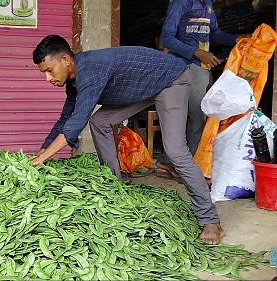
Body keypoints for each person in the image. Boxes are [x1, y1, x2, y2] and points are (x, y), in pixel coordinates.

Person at [30, 34, 224, 244]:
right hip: (143, 86)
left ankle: (210, 220)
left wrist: (44, 158)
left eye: (49, 70)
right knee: (100, 122)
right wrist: (43, 150)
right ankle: (114, 187)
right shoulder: (74, 81)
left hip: (171, 80)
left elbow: (76, 123)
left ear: (66, 60)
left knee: (176, 150)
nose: (47, 78)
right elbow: (65, 117)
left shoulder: (90, 70)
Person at [156, 0, 251, 178]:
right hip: (185, 66)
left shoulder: (207, 3)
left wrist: (237, 38)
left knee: (203, 117)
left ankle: (169, 162)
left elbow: (214, 34)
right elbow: (166, 38)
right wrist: (196, 52)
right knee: (198, 117)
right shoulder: (181, 2)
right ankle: (186, 168)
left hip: (203, 68)